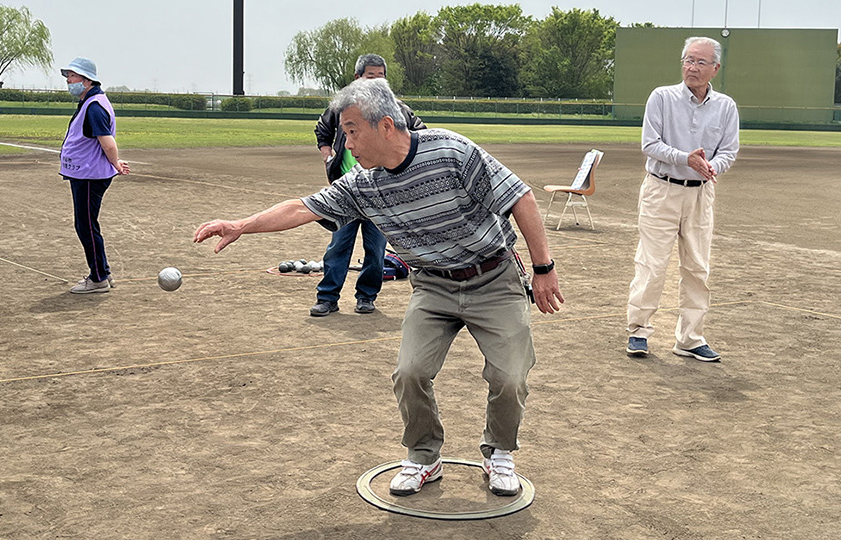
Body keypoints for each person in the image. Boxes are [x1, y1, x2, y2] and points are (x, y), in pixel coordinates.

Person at [195, 78, 564, 498]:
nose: (345, 142)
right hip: (432, 287)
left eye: (352, 130)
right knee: (410, 372)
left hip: (492, 278)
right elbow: (302, 206)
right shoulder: (362, 184)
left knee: (510, 376)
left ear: (386, 126)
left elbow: (521, 198)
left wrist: (543, 268)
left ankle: (499, 452)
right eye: (343, 132)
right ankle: (424, 456)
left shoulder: (451, 152)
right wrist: (241, 224)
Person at [625, 37, 740, 362]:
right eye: (688, 60)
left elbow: (729, 151)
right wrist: (685, 158)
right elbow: (650, 144)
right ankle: (639, 331)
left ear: (715, 68)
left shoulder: (726, 106)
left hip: (701, 193)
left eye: (700, 62)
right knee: (652, 264)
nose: (692, 67)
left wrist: (710, 166)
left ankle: (690, 338)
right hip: (661, 189)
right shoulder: (662, 97)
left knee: (697, 267)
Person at [310, 54, 426, 317]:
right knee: (339, 245)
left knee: (375, 249)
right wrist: (328, 157)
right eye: (370, 76)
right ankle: (327, 297)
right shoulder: (342, 107)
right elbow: (322, 131)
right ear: (357, 78)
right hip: (347, 192)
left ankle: (366, 296)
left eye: (381, 76)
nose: (376, 81)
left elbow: (419, 132)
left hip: (381, 192)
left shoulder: (397, 109)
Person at [59, 57, 130, 294]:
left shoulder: (94, 106)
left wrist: (115, 162)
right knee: (86, 224)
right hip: (85, 173)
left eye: (72, 76)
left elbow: (107, 142)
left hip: (90, 175)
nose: (68, 81)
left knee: (86, 225)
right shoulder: (89, 101)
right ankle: (102, 273)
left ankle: (98, 277)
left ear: (87, 80)